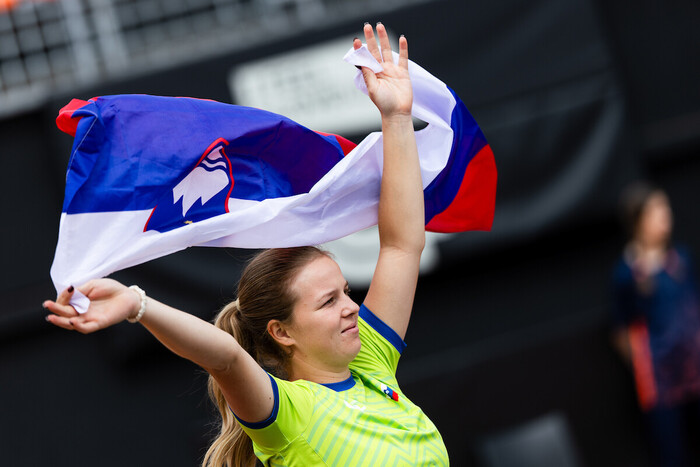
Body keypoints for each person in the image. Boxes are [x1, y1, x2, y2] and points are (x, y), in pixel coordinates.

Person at [44, 23, 450, 466]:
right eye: (328, 301)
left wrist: (396, 117)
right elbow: (226, 360)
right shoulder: (289, 414)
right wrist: (137, 305)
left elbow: (401, 244)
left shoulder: (372, 363)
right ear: (282, 332)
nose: (351, 307)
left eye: (345, 293)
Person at [611, 182, 700, 467]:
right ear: (637, 221)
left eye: (666, 208)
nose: (665, 216)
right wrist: (645, 364)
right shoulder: (626, 275)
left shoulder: (681, 259)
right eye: (656, 211)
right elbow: (620, 331)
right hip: (660, 382)